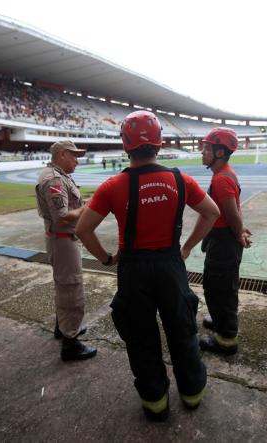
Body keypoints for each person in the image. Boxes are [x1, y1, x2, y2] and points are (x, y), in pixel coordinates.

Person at [76, 111, 220, 421]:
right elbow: (212, 212)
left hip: (133, 269)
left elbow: (82, 230)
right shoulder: (181, 180)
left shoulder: (112, 185)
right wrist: (186, 247)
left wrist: (105, 258)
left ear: (125, 145)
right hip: (171, 265)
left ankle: (155, 402)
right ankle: (192, 394)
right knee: (182, 332)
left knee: (141, 338)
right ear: (160, 144)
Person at [36, 140, 96, 362]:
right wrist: (88, 207)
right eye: (74, 156)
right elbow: (62, 218)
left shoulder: (58, 175)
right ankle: (70, 343)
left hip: (62, 240)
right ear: (62, 154)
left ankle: (63, 328)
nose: (77, 161)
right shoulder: (53, 178)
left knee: (63, 285)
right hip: (63, 240)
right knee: (71, 288)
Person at [195, 127, 252, 356]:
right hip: (223, 239)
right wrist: (239, 228)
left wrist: (239, 233)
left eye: (207, 148)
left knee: (220, 288)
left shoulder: (221, 179)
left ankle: (226, 339)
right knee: (219, 285)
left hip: (224, 242)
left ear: (220, 153)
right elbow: (234, 211)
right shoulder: (224, 174)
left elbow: (231, 214)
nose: (202, 152)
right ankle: (220, 320)